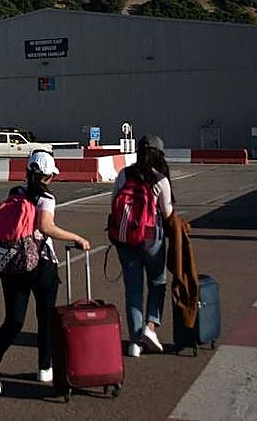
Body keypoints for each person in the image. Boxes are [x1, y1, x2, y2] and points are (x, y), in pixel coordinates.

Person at [0, 151, 91, 395]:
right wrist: (77, 238)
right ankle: (44, 369)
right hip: (40, 263)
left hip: (12, 262)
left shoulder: (15, 194)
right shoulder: (46, 197)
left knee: (14, 320)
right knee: (46, 317)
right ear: (49, 176)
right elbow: (46, 227)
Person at [110, 134, 174, 357]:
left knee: (133, 290)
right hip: (151, 239)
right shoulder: (160, 180)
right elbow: (168, 214)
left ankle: (134, 343)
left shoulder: (124, 174)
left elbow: (113, 204)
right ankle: (150, 327)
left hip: (125, 240)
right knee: (158, 283)